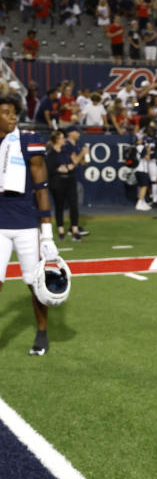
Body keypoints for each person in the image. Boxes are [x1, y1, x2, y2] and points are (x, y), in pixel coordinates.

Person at [0, 94, 59, 356]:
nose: (13, 117)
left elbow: (41, 188)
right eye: (6, 112)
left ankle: (42, 331)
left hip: (26, 224)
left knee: (34, 283)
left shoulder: (27, 140)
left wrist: (46, 233)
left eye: (14, 112)